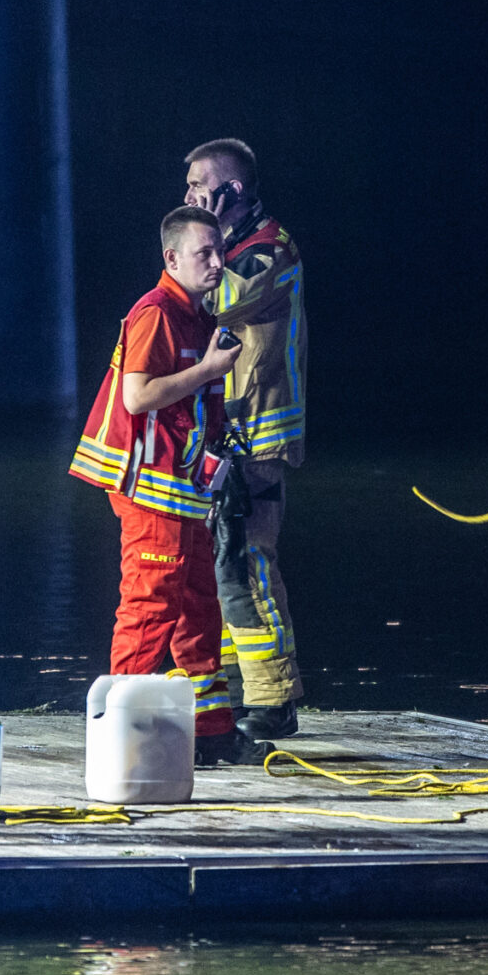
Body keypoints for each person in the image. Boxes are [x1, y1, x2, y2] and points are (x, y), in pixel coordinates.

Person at [69, 206, 247, 766]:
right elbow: (137, 396)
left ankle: (212, 733)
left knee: (200, 608)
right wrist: (210, 370)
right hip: (149, 492)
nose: (218, 263)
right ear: (172, 259)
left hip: (183, 489)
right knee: (150, 608)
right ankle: (124, 735)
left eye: (220, 252)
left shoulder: (197, 315)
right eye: (205, 254)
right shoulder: (155, 313)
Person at [183, 138, 308, 740]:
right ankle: (237, 695)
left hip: (258, 438)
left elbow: (217, 299)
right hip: (228, 436)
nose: (187, 197)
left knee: (248, 561)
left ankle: (274, 699)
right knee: (221, 565)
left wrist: (194, 250)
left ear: (231, 190)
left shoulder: (268, 254)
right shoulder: (232, 249)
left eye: (198, 186)